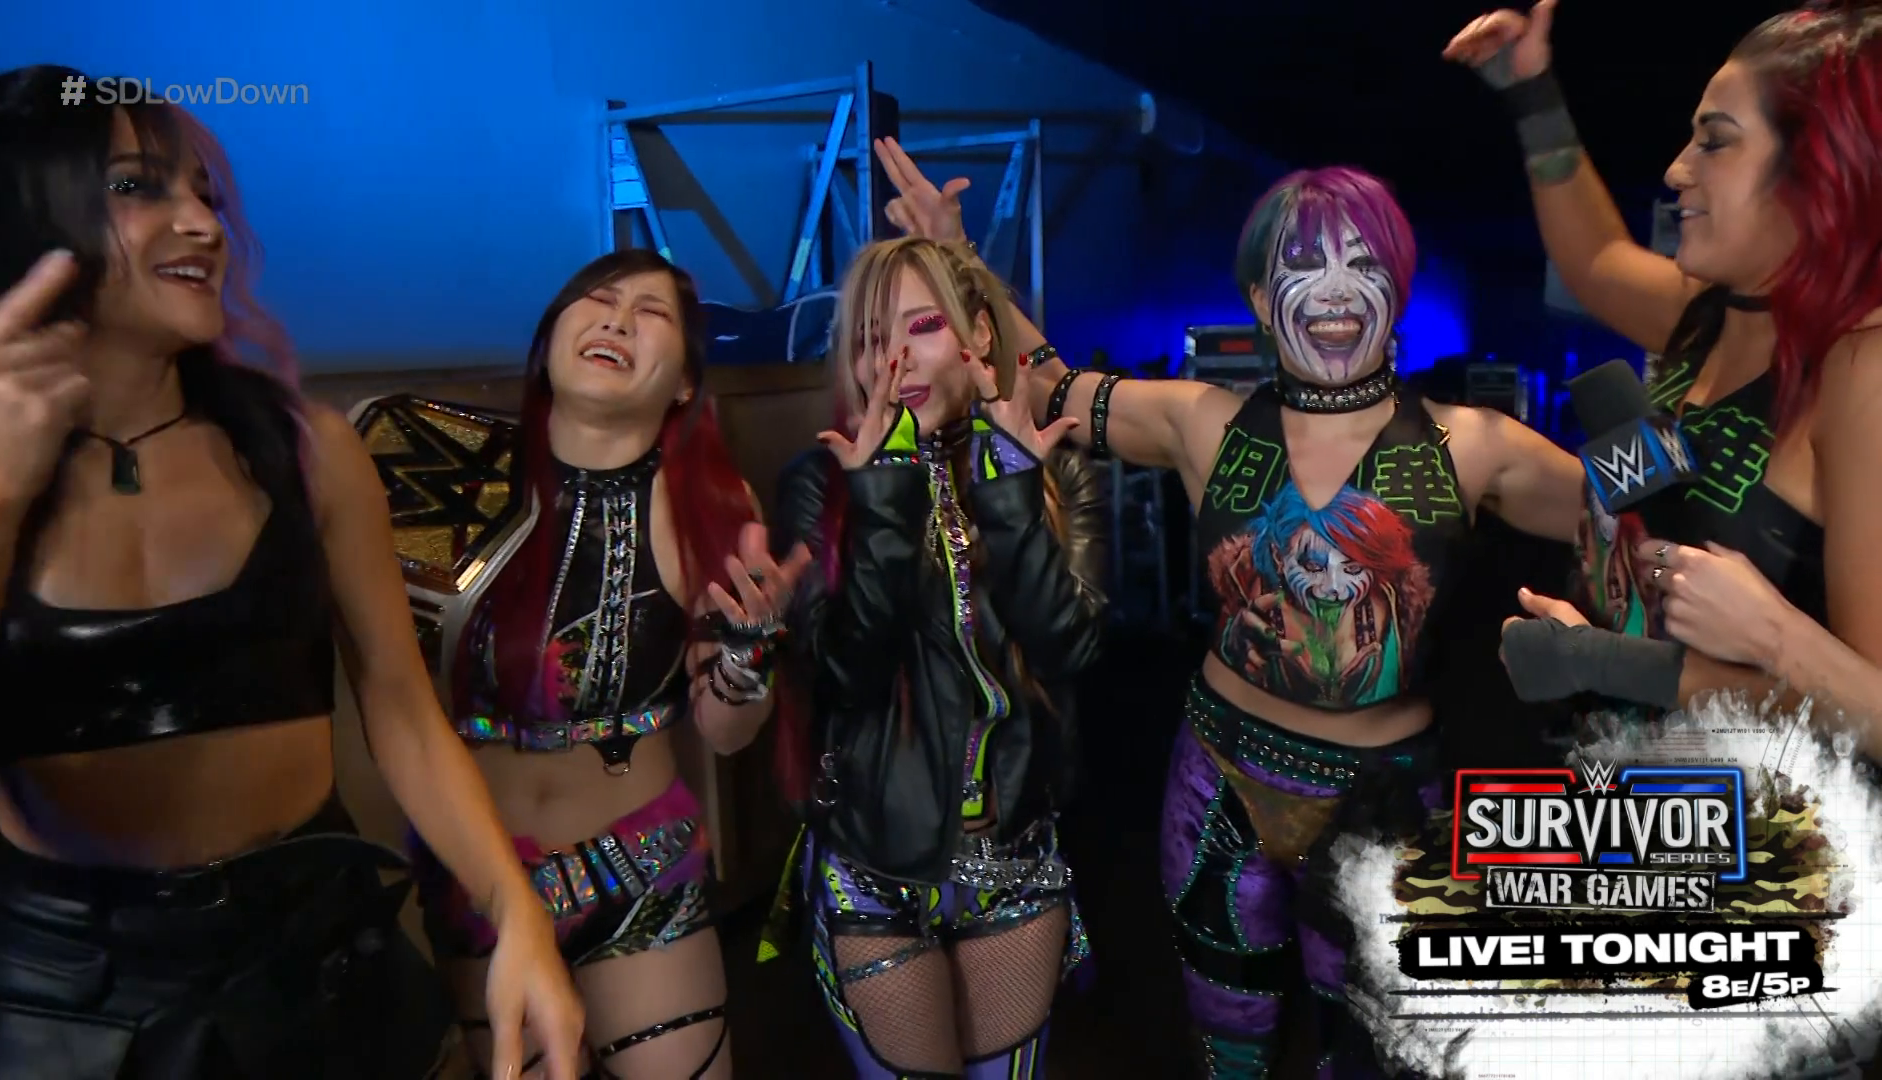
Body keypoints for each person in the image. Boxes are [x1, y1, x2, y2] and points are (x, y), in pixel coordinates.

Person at [872, 139, 1576, 1072]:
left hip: (1387, 805)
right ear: (1259, 298)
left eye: (1362, 262)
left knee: (1376, 1051)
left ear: (1400, 289)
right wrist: (963, 257)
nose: (1333, 289)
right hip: (1219, 787)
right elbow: (1042, 384)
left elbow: (1640, 526)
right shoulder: (1204, 423)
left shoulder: (1476, 445)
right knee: (1227, 1039)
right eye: (1302, 263)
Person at [0, 63, 585, 1080]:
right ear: (19, 214)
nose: (201, 225)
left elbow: (401, 707)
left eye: (203, 194)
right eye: (138, 187)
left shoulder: (305, 451)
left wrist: (515, 911)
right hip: (61, 1000)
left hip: (320, 964)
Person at [407, 248, 809, 1080]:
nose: (618, 320)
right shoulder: (450, 477)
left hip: (642, 870)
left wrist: (750, 649)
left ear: (685, 382)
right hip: (480, 875)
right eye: (597, 300)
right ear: (550, 337)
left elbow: (727, 734)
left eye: (650, 313)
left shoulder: (716, 506)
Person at [1449, 3, 1882, 738]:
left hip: (1772, 808)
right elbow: (1594, 260)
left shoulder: (1861, 370)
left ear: (1819, 169)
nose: (1676, 169)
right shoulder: (1710, 314)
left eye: (1715, 142)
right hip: (1650, 784)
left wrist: (1616, 664)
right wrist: (1531, 95)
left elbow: (1872, 714)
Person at [768, 231, 1110, 1079]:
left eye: (920, 326)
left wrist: (1011, 492)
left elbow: (1069, 648)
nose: (894, 359)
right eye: (868, 339)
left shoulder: (1054, 469)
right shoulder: (821, 481)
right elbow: (848, 676)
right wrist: (881, 497)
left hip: (1014, 857)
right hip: (873, 865)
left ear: (979, 334)